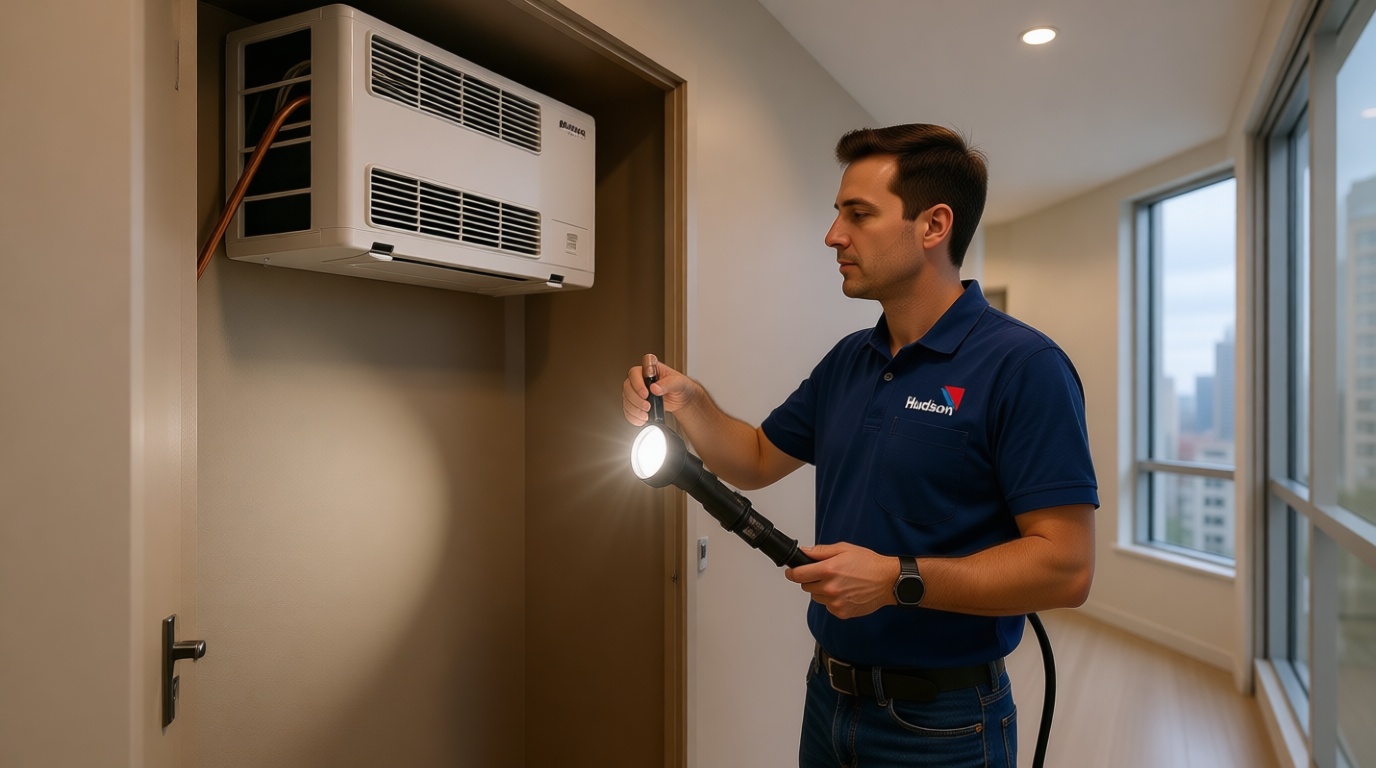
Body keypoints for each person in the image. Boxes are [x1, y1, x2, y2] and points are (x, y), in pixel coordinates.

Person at [622, 123, 1098, 768]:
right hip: (830, 698)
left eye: (859, 214)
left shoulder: (1023, 366)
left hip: (944, 727)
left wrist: (896, 580)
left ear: (933, 226)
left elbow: (1067, 568)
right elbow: (757, 459)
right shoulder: (852, 359)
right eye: (836, 213)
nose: (833, 235)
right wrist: (691, 404)